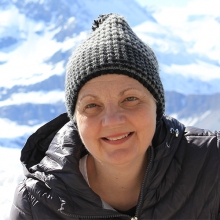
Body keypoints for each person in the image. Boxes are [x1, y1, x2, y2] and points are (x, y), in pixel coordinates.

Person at [10, 13, 220, 220]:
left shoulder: (213, 162)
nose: (112, 120)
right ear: (75, 118)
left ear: (157, 107)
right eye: (92, 105)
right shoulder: (35, 204)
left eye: (130, 99)